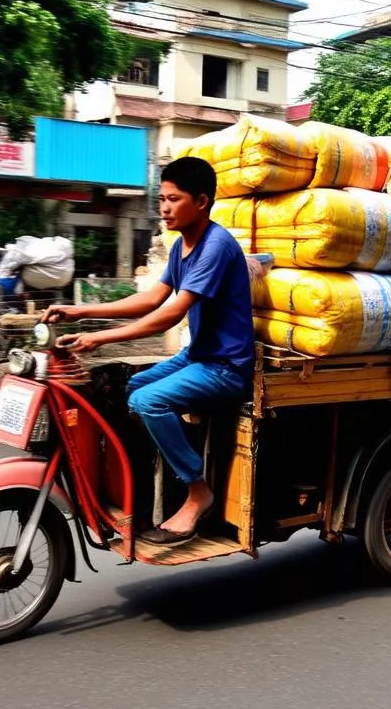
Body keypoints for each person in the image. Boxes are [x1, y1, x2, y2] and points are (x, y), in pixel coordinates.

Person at [43, 157, 254, 545]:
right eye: (162, 199)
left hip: (225, 366)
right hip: (198, 357)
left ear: (202, 201)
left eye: (174, 199)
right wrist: (80, 311)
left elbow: (168, 316)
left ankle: (197, 491)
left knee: (148, 400)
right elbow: (150, 300)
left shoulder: (215, 247)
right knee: (130, 387)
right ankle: (145, 488)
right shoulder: (182, 247)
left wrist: (101, 340)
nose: (164, 208)